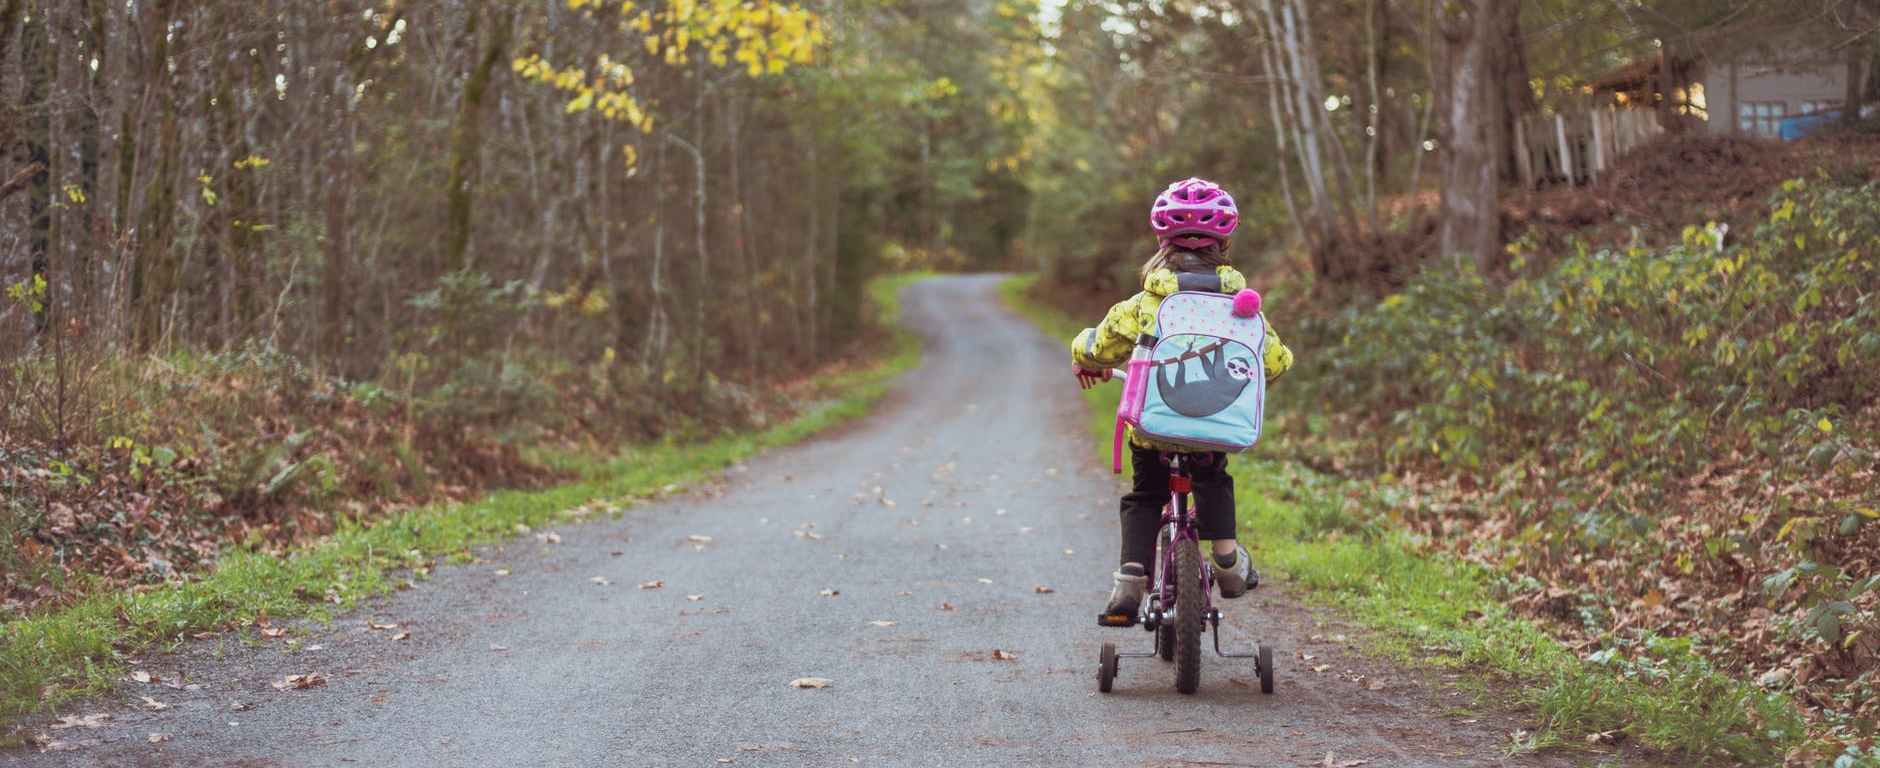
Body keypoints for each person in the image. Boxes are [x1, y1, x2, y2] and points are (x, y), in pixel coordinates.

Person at [1069, 177, 1295, 623]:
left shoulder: (1147, 303)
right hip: (1213, 430)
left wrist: (1083, 356)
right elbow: (1275, 361)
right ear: (1224, 244)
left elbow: (1101, 345)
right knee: (1213, 478)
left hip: (1154, 430)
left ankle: (1130, 581)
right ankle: (1227, 561)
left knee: (1145, 494)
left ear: (1162, 242)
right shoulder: (1241, 305)